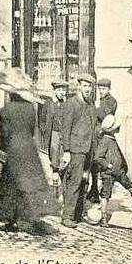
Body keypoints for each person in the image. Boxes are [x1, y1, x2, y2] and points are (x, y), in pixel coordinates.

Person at [0, 67, 58, 235]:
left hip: (13, 149)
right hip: (29, 149)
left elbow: (5, 134)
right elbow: (32, 129)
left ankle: (10, 220)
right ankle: (31, 216)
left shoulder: (6, 111)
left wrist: (2, 151)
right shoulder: (30, 108)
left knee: (9, 185)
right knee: (29, 183)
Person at [93, 113, 132, 226]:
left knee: (131, 187)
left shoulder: (112, 139)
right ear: (111, 129)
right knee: (106, 195)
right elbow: (98, 157)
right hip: (109, 173)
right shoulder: (105, 140)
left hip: (119, 171)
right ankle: (104, 218)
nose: (119, 127)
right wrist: (108, 166)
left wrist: (123, 167)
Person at [59, 73, 98, 228]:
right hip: (76, 150)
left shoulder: (91, 105)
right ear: (79, 86)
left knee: (84, 182)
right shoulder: (71, 104)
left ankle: (78, 213)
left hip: (88, 151)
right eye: (85, 85)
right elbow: (65, 129)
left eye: (90, 86)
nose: (87, 89)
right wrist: (67, 151)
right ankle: (67, 216)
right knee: (74, 182)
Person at [87, 77, 119, 202]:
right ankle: (94, 188)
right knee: (94, 164)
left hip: (104, 137)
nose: (101, 91)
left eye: (104, 88)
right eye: (100, 88)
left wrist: (96, 107)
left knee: (102, 164)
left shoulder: (111, 101)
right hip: (95, 136)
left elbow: (105, 117)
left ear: (109, 89)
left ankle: (102, 192)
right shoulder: (100, 100)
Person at [39, 80, 68, 188]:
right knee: (55, 161)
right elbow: (42, 119)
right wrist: (45, 132)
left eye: (63, 90)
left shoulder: (67, 103)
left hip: (65, 135)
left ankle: (64, 187)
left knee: (65, 160)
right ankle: (55, 188)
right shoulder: (49, 103)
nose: (61, 92)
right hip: (54, 135)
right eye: (59, 90)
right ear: (54, 91)